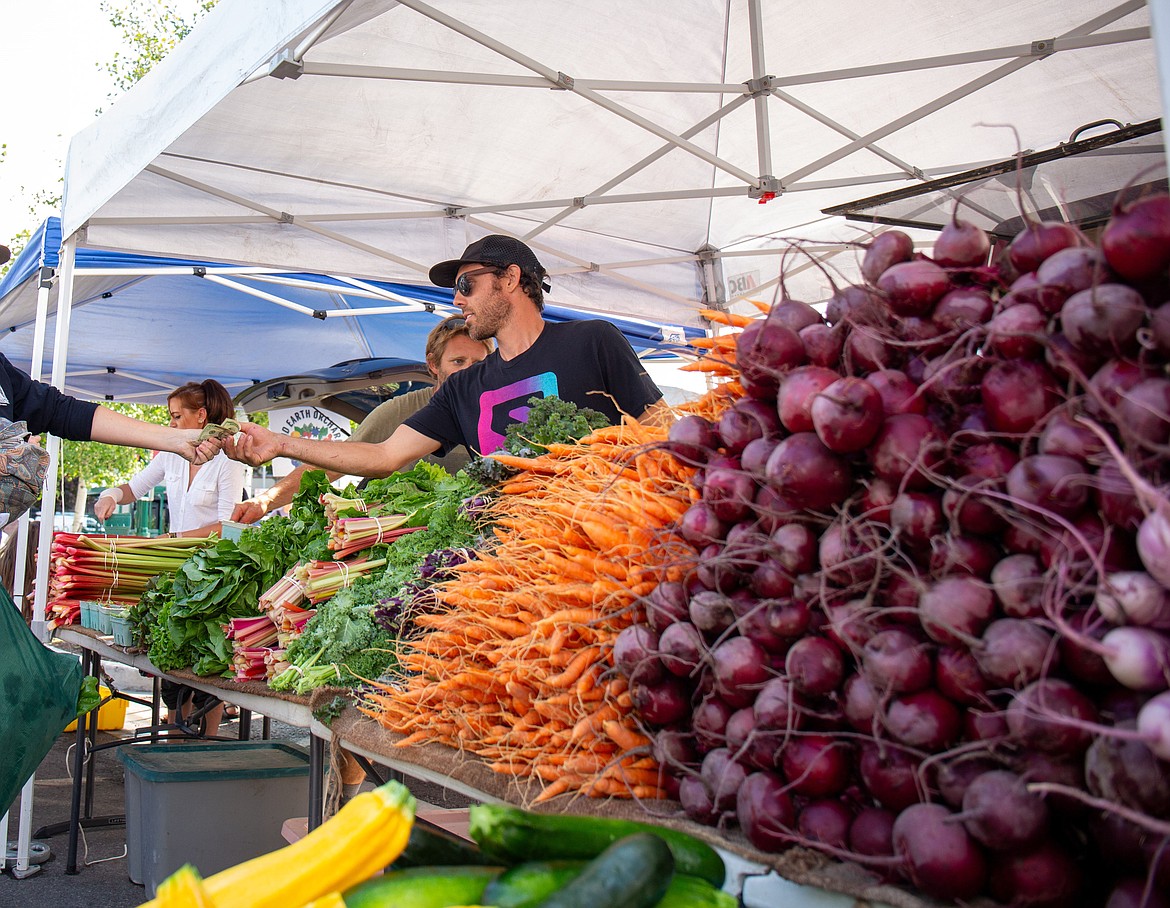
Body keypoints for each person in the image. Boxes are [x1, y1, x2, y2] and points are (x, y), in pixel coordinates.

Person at [225, 235, 668, 477]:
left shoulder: (592, 341)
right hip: (518, 565)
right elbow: (382, 456)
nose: (457, 301)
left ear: (510, 278)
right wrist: (281, 443)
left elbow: (661, 431)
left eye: (465, 285)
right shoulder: (462, 389)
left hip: (605, 544)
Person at [230, 314, 493, 524]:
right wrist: (266, 501)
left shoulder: (498, 413)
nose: (468, 372)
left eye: (478, 362)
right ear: (434, 365)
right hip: (391, 539)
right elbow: (331, 465)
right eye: (458, 361)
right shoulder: (399, 411)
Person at [93, 379, 247, 737]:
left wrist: (175, 538)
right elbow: (137, 486)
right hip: (175, 569)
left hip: (215, 573)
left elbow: (227, 524)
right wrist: (113, 495)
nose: (172, 424)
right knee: (176, 654)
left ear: (202, 416)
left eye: (177, 416)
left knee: (208, 657)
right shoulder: (172, 454)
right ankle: (177, 730)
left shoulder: (227, 460)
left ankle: (207, 738)